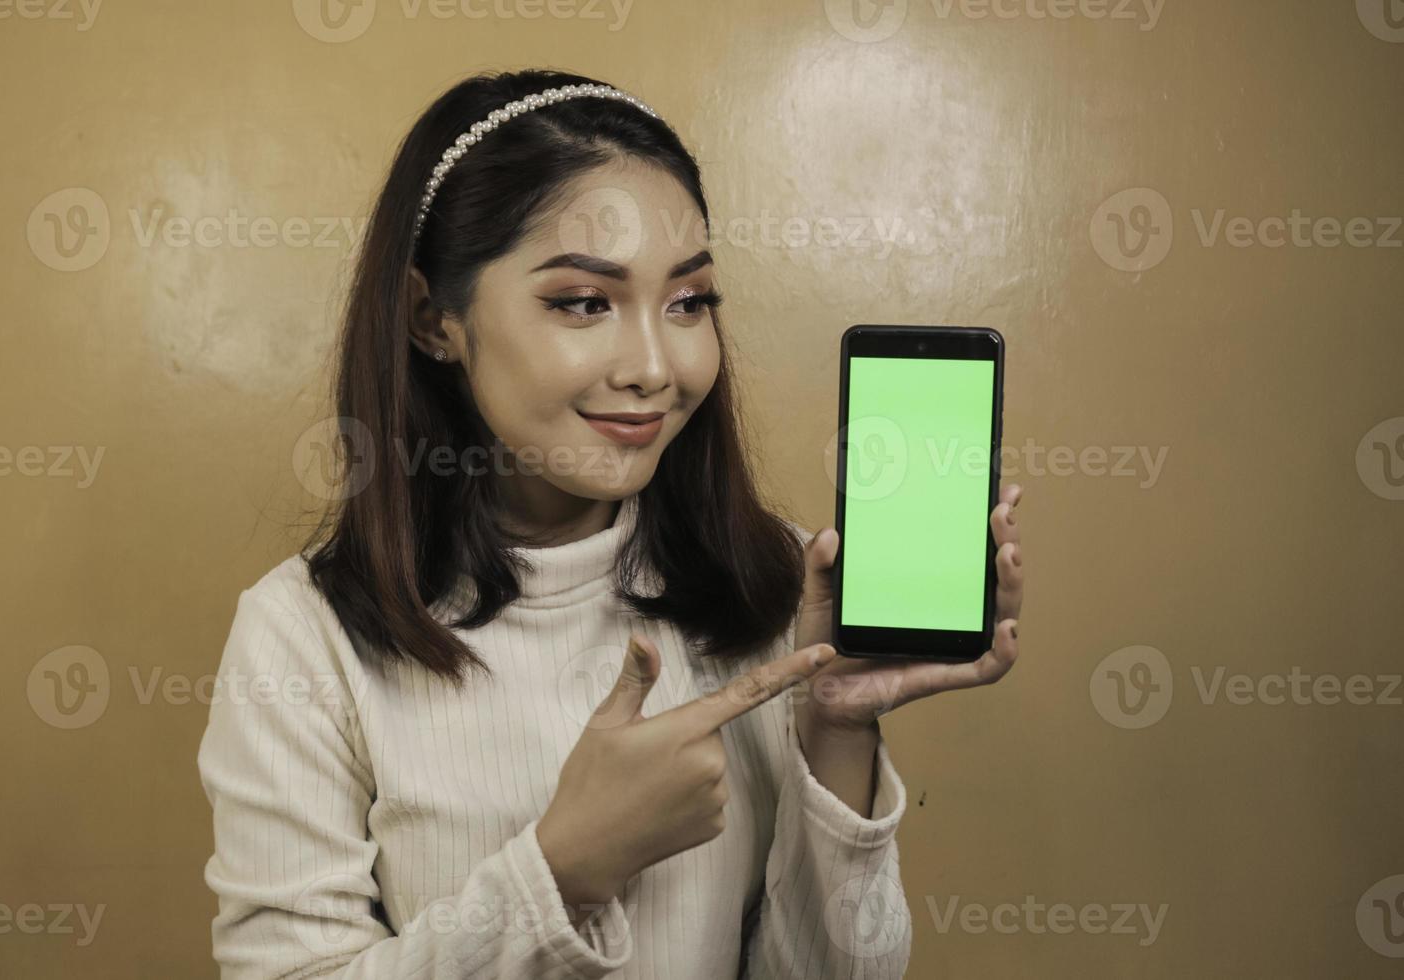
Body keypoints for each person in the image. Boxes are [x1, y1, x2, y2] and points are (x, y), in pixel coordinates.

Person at [196, 68, 1026, 979]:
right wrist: (565, 870)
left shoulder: (784, 591)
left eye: (688, 302)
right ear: (434, 320)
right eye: (584, 303)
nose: (653, 366)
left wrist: (837, 729)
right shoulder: (302, 635)